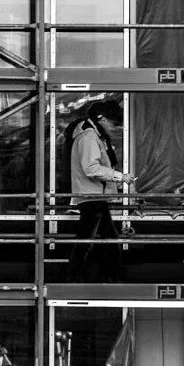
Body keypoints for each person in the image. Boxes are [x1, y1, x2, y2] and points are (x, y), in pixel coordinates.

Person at [66, 100, 136, 283]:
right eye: (113, 123)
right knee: (106, 240)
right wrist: (120, 177)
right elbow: (91, 168)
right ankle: (106, 277)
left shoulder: (92, 135)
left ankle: (82, 277)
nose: (115, 128)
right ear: (102, 119)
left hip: (93, 195)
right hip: (91, 196)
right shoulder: (89, 137)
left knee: (94, 240)